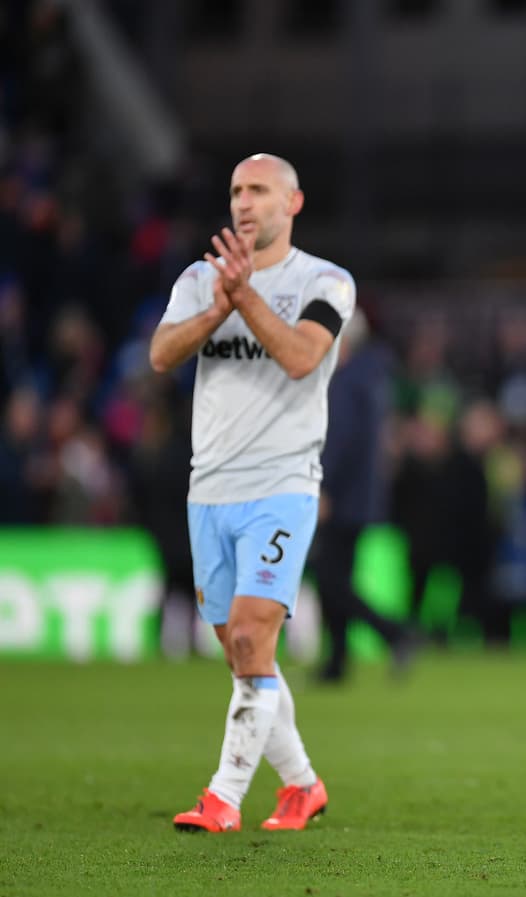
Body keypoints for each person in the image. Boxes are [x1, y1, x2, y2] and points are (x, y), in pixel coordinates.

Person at [150, 153, 355, 832]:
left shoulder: (325, 280)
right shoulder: (198, 279)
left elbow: (302, 356)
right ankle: (302, 785)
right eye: (236, 189)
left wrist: (244, 298)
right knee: (243, 652)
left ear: (291, 203)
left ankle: (224, 796)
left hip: (282, 484)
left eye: (259, 190)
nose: (243, 201)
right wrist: (219, 304)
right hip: (208, 488)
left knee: (247, 632)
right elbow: (161, 354)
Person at [312, 308, 420, 683]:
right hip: (361, 494)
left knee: (329, 579)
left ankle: (395, 633)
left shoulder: (346, 380)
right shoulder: (373, 376)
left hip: (342, 495)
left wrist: (323, 487)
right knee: (337, 576)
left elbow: (339, 441)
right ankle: (337, 662)